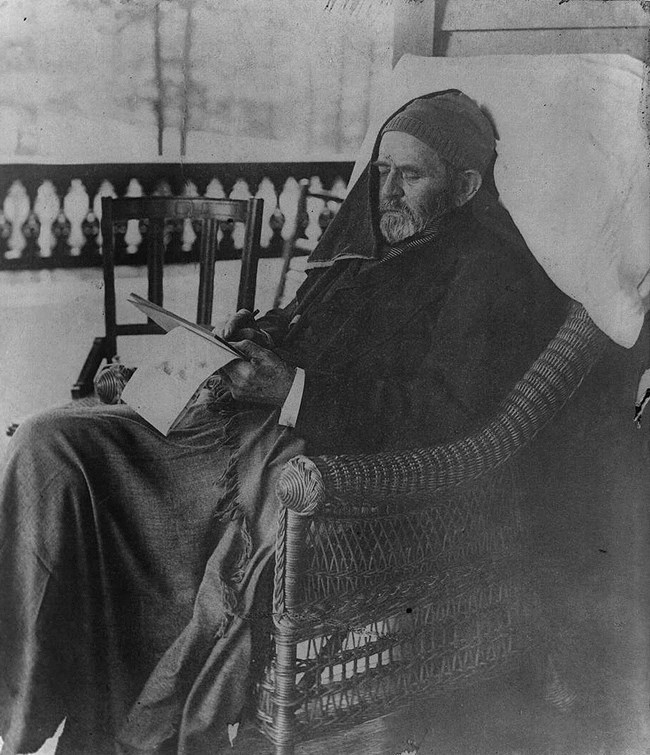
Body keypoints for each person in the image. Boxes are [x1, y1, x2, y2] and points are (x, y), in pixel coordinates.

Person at [0, 91, 567, 754]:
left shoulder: (487, 274)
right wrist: (166, 372)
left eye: (410, 176)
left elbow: (441, 413)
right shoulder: (363, 249)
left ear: (466, 186)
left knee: (85, 469)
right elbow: (292, 326)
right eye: (380, 170)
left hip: (313, 464)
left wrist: (294, 387)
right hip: (233, 428)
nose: (384, 191)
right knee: (50, 441)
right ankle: (16, 714)